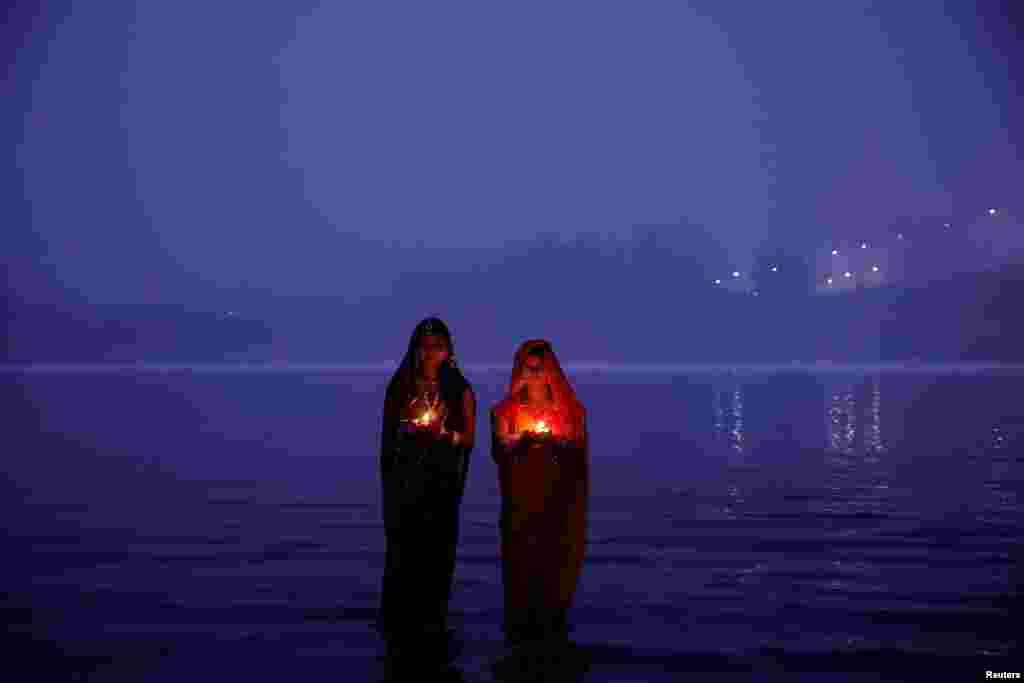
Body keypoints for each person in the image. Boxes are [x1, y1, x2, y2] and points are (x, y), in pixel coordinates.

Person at [377, 317, 476, 657]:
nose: (431, 352)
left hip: (441, 484)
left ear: (448, 350)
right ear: (415, 349)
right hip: (406, 484)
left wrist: (445, 435)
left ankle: (433, 624)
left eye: (438, 345)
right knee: (405, 551)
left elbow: (468, 439)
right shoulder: (401, 386)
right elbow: (389, 438)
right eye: (425, 345)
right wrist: (408, 434)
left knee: (436, 552)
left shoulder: (459, 390)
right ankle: (399, 628)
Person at [491, 339, 589, 666]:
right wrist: (521, 442)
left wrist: (556, 442)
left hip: (555, 506)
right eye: (528, 369)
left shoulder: (569, 410)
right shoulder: (506, 410)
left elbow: (576, 447)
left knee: (552, 567)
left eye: (541, 368)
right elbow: (501, 447)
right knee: (522, 567)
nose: (535, 375)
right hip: (520, 506)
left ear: (552, 371)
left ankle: (553, 626)